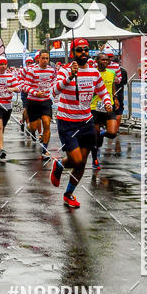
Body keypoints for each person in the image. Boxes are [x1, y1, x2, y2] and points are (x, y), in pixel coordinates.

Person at [50, 38, 112, 208]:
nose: (83, 52)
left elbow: (103, 91)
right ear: (73, 53)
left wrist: (107, 102)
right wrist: (70, 76)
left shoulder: (93, 72)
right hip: (67, 121)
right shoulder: (64, 71)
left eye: (86, 49)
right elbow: (54, 91)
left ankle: (68, 194)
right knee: (76, 159)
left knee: (82, 162)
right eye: (79, 50)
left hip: (86, 122)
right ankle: (60, 163)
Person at [90, 50, 121, 169]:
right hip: (94, 107)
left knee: (113, 133)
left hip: (108, 106)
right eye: (102, 59)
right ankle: (95, 160)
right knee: (94, 136)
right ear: (97, 61)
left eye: (107, 59)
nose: (105, 61)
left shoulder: (111, 73)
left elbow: (112, 86)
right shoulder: (92, 73)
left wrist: (115, 97)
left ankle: (102, 134)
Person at [23, 49, 56, 157]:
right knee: (34, 127)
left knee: (47, 123)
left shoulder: (51, 70)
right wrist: (35, 93)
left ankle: (44, 149)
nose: (45, 60)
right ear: (38, 59)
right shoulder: (32, 70)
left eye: (47, 58)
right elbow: (25, 86)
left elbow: (54, 82)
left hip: (46, 101)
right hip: (33, 101)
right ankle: (31, 130)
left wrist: (52, 91)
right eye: (43, 58)